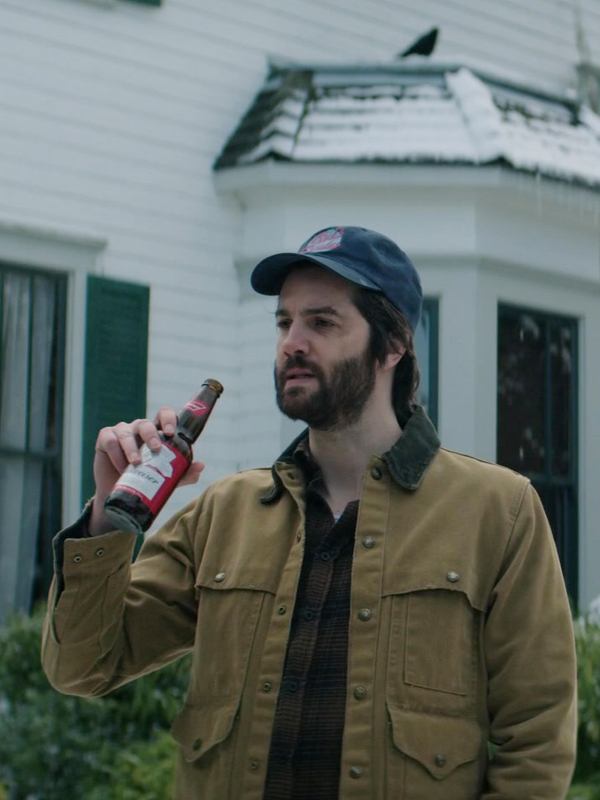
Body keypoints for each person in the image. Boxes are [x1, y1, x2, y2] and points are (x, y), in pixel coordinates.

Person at [42, 226, 577, 800]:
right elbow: (80, 667)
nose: (292, 342)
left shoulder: (499, 511)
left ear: (392, 345)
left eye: (321, 323)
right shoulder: (225, 514)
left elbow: (537, 743)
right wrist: (107, 514)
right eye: (284, 322)